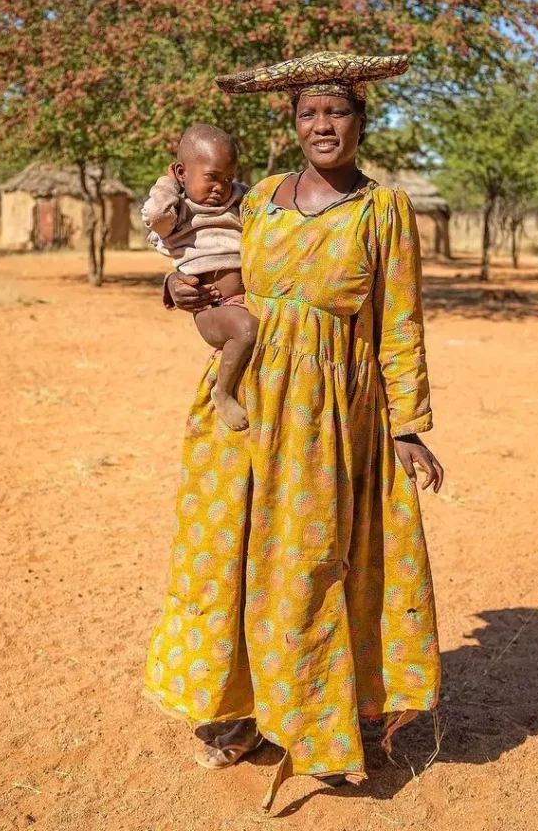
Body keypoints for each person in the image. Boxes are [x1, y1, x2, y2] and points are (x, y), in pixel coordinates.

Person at [143, 52, 446, 812]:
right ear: (294, 123)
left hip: (331, 417)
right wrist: (171, 288)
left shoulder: (383, 210)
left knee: (307, 564)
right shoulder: (262, 198)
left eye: (336, 112)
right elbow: (207, 269)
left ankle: (316, 718)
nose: (322, 126)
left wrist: (407, 424)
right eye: (309, 113)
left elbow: (401, 319)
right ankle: (237, 714)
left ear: (359, 122)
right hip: (244, 405)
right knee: (230, 556)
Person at [140, 124, 258, 431]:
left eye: (228, 178)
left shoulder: (238, 202)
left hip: (246, 297)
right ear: (182, 172)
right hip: (212, 306)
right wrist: (168, 184)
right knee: (246, 331)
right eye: (211, 177)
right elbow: (154, 216)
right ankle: (223, 391)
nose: (220, 186)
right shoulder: (178, 212)